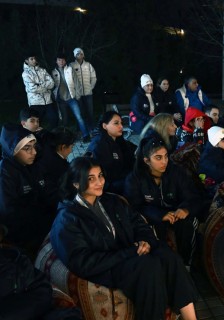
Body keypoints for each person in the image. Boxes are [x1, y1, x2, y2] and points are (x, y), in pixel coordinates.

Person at [50, 157, 199, 320]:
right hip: (106, 265)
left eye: (100, 176)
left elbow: (139, 224)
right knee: (149, 266)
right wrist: (130, 251)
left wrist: (145, 242)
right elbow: (83, 261)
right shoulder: (68, 218)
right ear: (76, 183)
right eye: (91, 179)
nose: (99, 182)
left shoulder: (111, 201)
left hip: (127, 253)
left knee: (169, 257)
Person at [124, 138, 200, 269]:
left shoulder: (176, 172)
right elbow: (134, 207)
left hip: (176, 213)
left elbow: (192, 196)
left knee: (189, 223)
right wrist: (160, 215)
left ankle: (186, 265)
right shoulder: (135, 179)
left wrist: (185, 209)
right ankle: (161, 267)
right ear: (146, 160)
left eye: (166, 156)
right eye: (158, 158)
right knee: (150, 229)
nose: (164, 162)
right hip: (153, 216)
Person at [0, 124, 52, 256]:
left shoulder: (32, 165)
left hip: (44, 224)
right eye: (27, 148)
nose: (34, 152)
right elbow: (11, 214)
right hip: (25, 239)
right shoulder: (6, 174)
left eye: (34, 147)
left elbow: (47, 190)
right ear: (13, 151)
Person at [86, 111, 136, 194]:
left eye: (121, 123)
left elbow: (134, 150)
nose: (121, 126)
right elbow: (108, 174)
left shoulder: (117, 139)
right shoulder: (100, 145)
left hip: (120, 178)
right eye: (116, 123)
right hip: (106, 185)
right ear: (105, 126)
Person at [52, 52, 90, 142]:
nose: (61, 61)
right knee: (64, 119)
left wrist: (77, 96)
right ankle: (64, 138)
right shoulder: (53, 72)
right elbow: (52, 86)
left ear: (65, 61)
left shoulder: (70, 69)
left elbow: (77, 83)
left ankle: (86, 135)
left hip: (72, 98)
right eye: (59, 60)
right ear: (56, 61)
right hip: (61, 100)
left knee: (79, 117)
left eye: (63, 60)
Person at [36, 127, 76, 206]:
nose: (71, 151)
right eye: (72, 147)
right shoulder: (55, 166)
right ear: (63, 147)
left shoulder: (47, 151)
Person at [22, 53, 57, 129]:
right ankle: (37, 139)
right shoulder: (25, 74)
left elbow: (52, 84)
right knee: (36, 124)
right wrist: (45, 86)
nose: (34, 60)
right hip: (35, 102)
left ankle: (52, 137)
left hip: (48, 101)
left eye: (34, 58)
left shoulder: (42, 70)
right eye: (31, 59)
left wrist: (39, 85)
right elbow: (32, 88)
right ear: (26, 61)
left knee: (54, 119)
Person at [70, 48, 97, 133]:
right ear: (75, 55)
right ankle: (80, 130)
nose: (80, 55)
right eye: (78, 54)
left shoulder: (88, 65)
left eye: (81, 54)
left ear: (83, 55)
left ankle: (92, 129)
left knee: (90, 112)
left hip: (88, 93)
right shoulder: (71, 65)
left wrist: (91, 87)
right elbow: (69, 79)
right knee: (80, 113)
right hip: (78, 94)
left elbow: (93, 77)